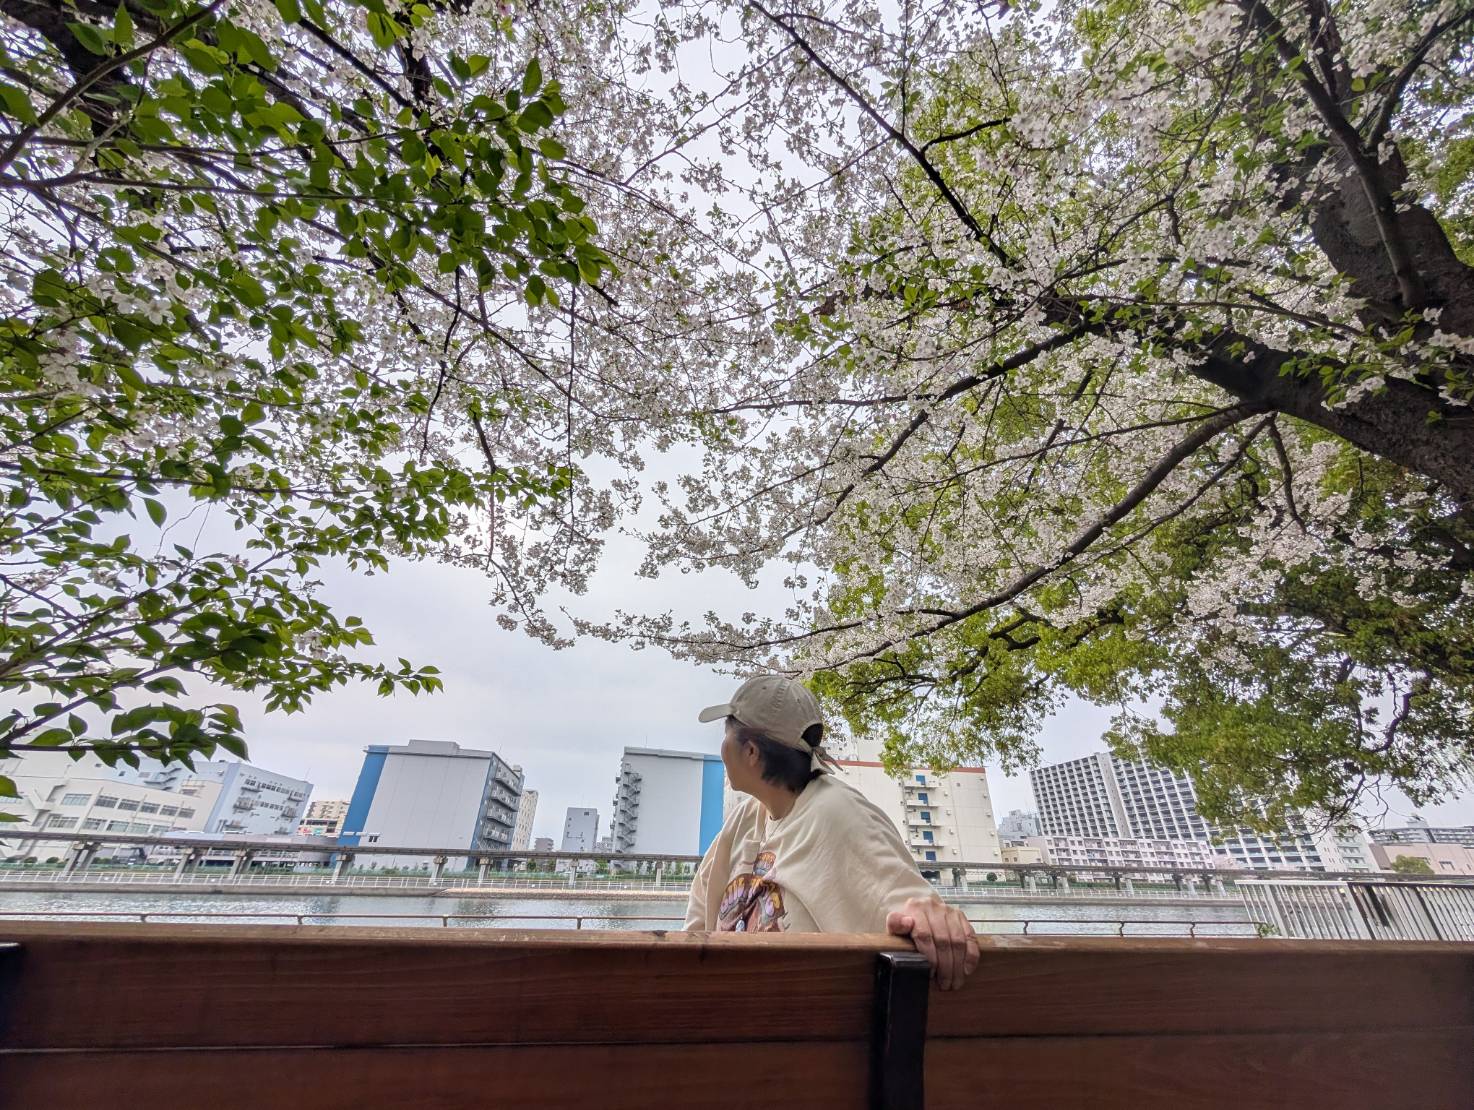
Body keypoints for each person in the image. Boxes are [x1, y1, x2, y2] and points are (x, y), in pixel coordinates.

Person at [684, 674, 980, 990]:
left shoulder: (838, 812)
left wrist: (928, 916)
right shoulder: (745, 819)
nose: (721, 747)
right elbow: (699, 914)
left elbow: (907, 904)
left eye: (726, 734)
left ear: (751, 752)